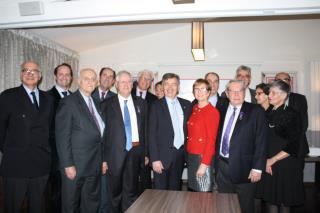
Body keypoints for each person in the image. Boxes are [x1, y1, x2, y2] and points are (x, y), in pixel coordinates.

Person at [0, 60, 54, 213]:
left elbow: (49, 129)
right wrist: (12, 149)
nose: (30, 73)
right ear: (21, 74)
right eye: (26, 70)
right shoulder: (8, 96)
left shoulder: (48, 99)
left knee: (37, 207)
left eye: (34, 71)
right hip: (16, 164)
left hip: (41, 164)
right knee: (12, 207)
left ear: (40, 75)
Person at [56, 68, 106, 213]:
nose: (90, 82)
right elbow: (62, 137)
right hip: (75, 166)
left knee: (91, 205)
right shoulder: (68, 102)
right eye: (86, 78)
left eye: (93, 79)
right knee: (70, 205)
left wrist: (102, 160)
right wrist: (67, 164)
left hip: (94, 165)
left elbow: (100, 135)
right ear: (78, 81)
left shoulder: (96, 103)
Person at [215, 79, 267, 213]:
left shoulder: (256, 111)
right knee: (224, 205)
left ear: (244, 93)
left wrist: (258, 168)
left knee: (244, 207)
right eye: (232, 91)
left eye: (240, 91)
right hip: (222, 167)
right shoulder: (220, 109)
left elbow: (261, 141)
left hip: (246, 169)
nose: (236, 94)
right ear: (227, 93)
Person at [102, 71, 148, 212]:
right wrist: (103, 159)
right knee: (114, 193)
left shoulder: (142, 103)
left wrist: (145, 153)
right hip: (114, 155)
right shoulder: (106, 105)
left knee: (131, 192)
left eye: (129, 82)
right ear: (116, 84)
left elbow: (145, 130)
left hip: (135, 153)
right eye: (123, 82)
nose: (126, 85)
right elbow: (102, 135)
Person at [258, 80, 305, 213]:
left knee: (284, 202)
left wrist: (272, 160)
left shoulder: (291, 114)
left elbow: (294, 144)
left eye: (273, 92)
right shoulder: (268, 112)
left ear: (284, 95)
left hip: (285, 164)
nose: (269, 95)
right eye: (269, 92)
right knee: (271, 199)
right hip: (269, 162)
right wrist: (265, 161)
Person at [149, 73, 192, 190]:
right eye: (166, 84)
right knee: (161, 193)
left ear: (178, 87)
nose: (170, 87)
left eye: (173, 84)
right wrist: (155, 159)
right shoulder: (155, 106)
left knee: (175, 191)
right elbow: (151, 134)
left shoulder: (187, 105)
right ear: (163, 86)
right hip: (161, 157)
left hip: (180, 154)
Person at [47, 63, 73, 213]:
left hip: (74, 154)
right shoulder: (46, 97)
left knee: (70, 195)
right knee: (56, 195)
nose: (64, 77)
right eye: (61, 74)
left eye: (67, 74)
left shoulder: (76, 97)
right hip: (55, 156)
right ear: (55, 76)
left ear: (71, 77)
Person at [187, 79, 220, 192]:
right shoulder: (195, 108)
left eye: (203, 89)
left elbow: (211, 140)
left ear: (208, 92)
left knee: (203, 193)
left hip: (203, 157)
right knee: (193, 191)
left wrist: (204, 164)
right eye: (196, 89)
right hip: (192, 156)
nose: (199, 92)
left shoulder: (212, 112)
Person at [91, 67, 116, 213]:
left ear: (113, 81)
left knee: (105, 186)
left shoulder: (115, 98)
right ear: (99, 77)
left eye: (110, 76)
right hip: (89, 149)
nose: (107, 78)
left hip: (107, 148)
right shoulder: (87, 94)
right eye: (104, 75)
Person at [131, 70, 157, 191]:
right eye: (144, 78)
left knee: (146, 180)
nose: (146, 81)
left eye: (149, 80)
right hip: (129, 146)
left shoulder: (154, 100)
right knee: (130, 179)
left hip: (146, 145)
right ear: (138, 78)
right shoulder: (127, 94)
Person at [275, 72, 309, 157]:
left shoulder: (300, 99)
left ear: (290, 82)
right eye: (278, 80)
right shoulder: (270, 99)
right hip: (275, 147)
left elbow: (304, 124)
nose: (282, 82)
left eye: (285, 80)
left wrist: (289, 141)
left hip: (297, 147)